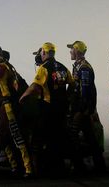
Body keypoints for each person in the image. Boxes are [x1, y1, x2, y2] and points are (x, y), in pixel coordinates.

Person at [0, 45, 32, 178]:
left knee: (8, 139)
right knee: (8, 139)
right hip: (10, 107)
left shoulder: (2, 67)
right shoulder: (9, 66)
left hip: (8, 109)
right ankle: (19, 167)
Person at [20, 42, 72, 175]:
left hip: (47, 109)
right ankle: (59, 168)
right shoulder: (63, 67)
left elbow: (35, 86)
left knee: (40, 138)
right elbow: (72, 84)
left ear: (44, 52)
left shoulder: (44, 68)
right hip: (62, 109)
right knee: (58, 138)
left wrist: (23, 97)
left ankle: (40, 169)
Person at [66, 41, 106, 174]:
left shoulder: (84, 68)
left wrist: (82, 110)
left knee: (73, 135)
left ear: (77, 50)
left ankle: (79, 166)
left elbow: (86, 90)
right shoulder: (77, 66)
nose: (70, 51)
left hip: (82, 109)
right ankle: (99, 165)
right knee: (89, 136)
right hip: (81, 108)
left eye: (72, 49)